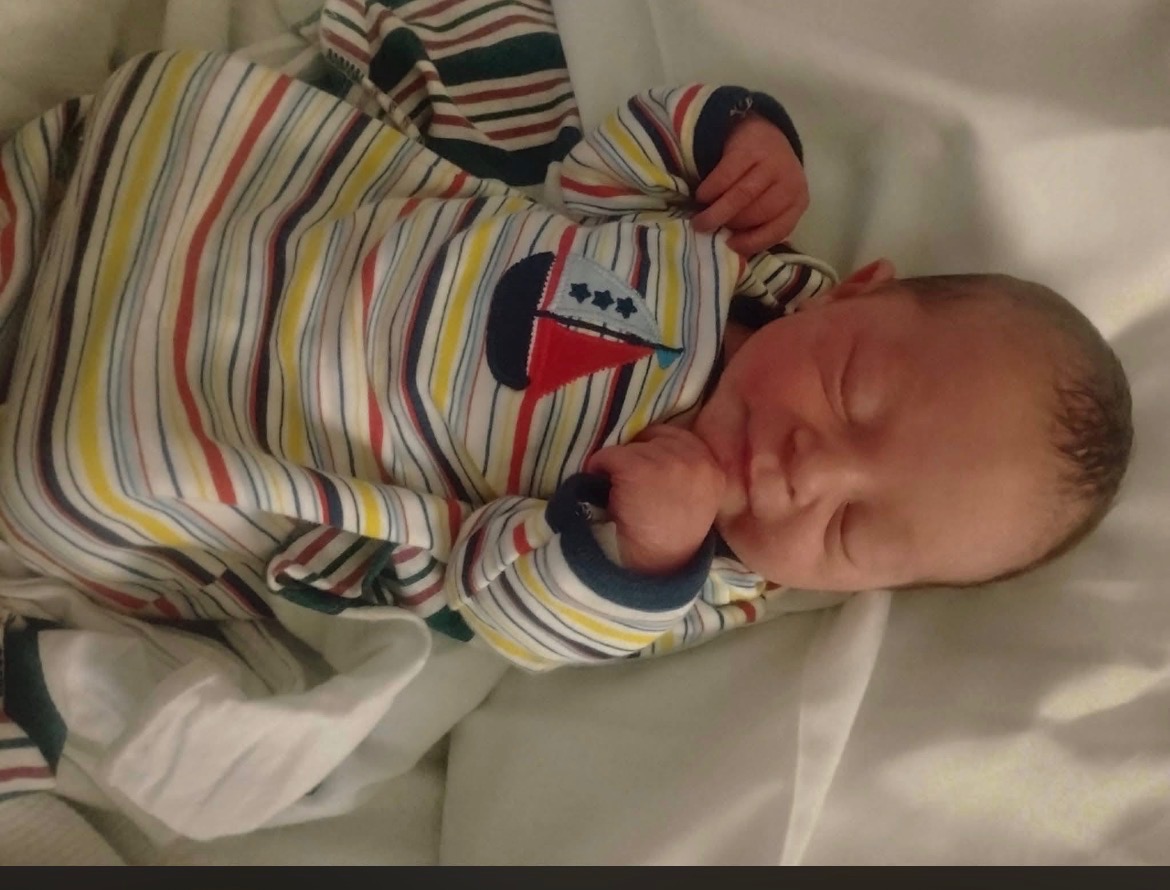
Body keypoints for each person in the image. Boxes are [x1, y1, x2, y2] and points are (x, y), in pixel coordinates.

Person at [0, 50, 1132, 675]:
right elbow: (599, 173)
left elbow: (510, 613)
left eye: (849, 530)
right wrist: (734, 137)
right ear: (857, 290)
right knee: (164, 123)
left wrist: (643, 552)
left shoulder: (696, 575)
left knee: (76, 463)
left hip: (232, 408)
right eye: (851, 392)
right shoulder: (727, 255)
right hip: (284, 213)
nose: (807, 469)